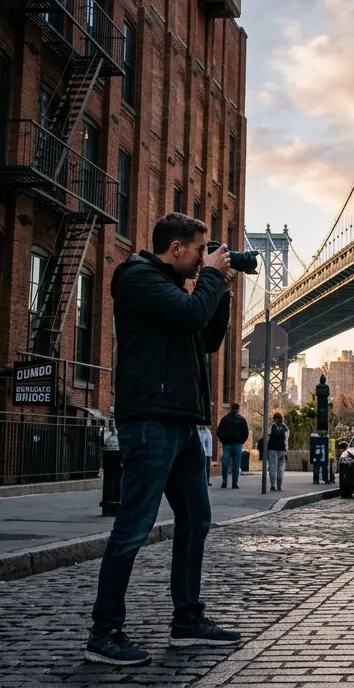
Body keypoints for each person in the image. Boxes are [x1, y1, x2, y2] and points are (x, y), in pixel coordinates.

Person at [86, 212, 242, 667]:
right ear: (176, 248)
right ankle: (103, 633)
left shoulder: (173, 290)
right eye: (199, 250)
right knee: (133, 526)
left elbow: (206, 337)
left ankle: (187, 620)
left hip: (182, 422)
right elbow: (191, 313)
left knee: (196, 520)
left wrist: (221, 291)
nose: (203, 258)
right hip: (151, 421)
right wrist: (209, 279)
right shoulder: (138, 278)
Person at [216, 404, 249, 489]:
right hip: (237, 444)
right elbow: (246, 433)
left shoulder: (225, 419)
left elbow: (219, 432)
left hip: (227, 444)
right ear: (238, 409)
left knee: (225, 463)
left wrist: (223, 441)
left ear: (230, 409)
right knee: (236, 465)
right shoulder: (241, 419)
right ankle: (234, 483)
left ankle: (225, 481)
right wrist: (241, 441)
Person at [265, 412, 289, 492]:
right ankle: (279, 486)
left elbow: (267, 438)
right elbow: (286, 440)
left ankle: (273, 485)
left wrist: (266, 448)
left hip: (272, 449)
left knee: (272, 467)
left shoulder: (272, 426)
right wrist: (286, 451)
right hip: (282, 450)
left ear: (275, 419)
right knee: (280, 468)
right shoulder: (285, 427)